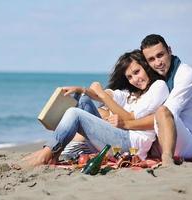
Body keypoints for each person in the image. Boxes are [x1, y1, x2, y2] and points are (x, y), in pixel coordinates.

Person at [13, 50, 169, 169]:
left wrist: (102, 94)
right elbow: (104, 96)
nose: (135, 79)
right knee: (82, 99)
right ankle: (54, 153)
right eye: (129, 77)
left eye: (137, 72)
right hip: (118, 137)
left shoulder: (158, 87)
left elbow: (129, 118)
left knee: (75, 114)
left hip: (131, 145)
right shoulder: (130, 93)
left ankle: (46, 154)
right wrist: (82, 89)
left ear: (146, 67)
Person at [116, 34, 192, 167]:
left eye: (160, 55)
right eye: (151, 59)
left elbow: (165, 115)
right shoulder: (159, 76)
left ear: (169, 50)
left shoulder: (185, 75)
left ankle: (167, 160)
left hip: (188, 144)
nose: (157, 62)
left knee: (162, 111)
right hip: (159, 139)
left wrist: (126, 124)